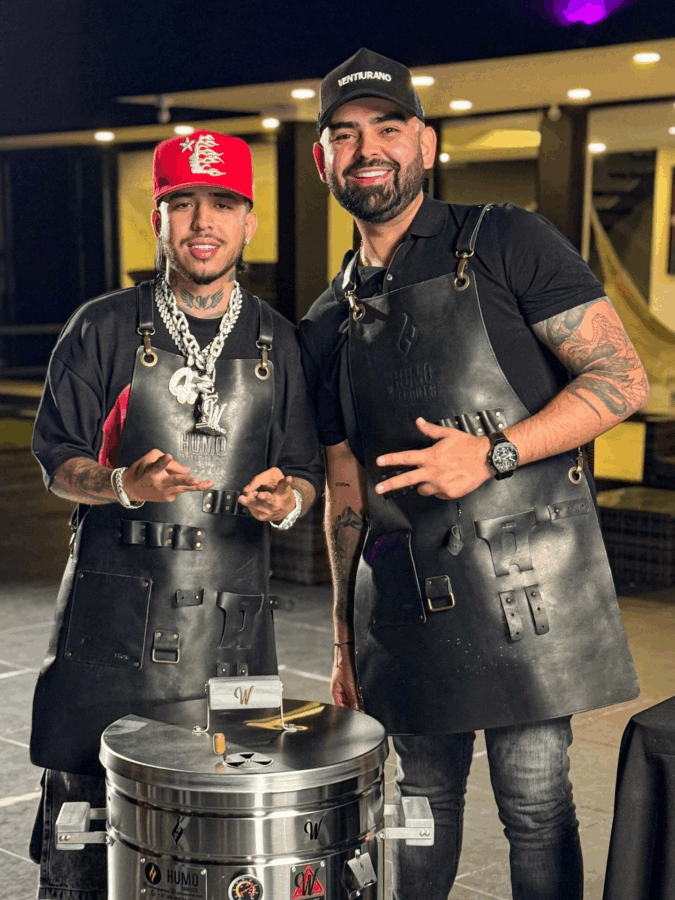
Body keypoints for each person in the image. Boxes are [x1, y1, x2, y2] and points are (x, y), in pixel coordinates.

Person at [300, 48, 649, 900]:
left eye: (387, 128)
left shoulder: (501, 239)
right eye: (344, 135)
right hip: (406, 602)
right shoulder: (323, 319)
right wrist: (344, 641)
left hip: (529, 590)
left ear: (423, 142)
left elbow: (620, 380)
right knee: (419, 804)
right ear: (322, 160)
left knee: (534, 803)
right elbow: (346, 492)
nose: (366, 148)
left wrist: (489, 453)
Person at [29, 130, 323, 899]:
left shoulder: (279, 344)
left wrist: (287, 499)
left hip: (237, 633)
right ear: (157, 219)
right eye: (181, 203)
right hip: (109, 623)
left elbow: (308, 474)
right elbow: (56, 458)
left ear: (248, 220)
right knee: (82, 831)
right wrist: (121, 482)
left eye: (221, 203)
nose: (202, 221)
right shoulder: (101, 326)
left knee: (231, 833)